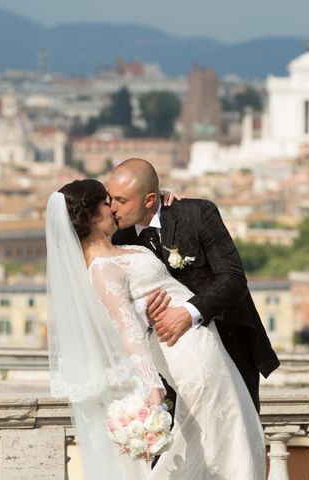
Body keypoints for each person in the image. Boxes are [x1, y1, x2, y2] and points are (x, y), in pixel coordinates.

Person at [46, 179, 265, 480]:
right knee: (222, 443)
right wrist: (151, 386)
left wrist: (157, 202)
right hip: (186, 351)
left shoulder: (119, 245)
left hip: (200, 346)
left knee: (226, 437)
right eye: (108, 201)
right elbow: (127, 331)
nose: (114, 207)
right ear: (94, 215)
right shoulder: (102, 269)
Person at [108, 158, 280, 413]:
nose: (113, 208)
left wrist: (188, 313)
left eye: (121, 201)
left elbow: (233, 278)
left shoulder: (197, 214)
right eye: (110, 199)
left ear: (149, 200)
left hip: (228, 346)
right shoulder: (117, 238)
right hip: (168, 359)